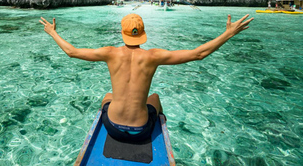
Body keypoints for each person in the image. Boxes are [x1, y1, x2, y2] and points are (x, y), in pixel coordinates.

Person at [39, 13, 253, 142]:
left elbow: (72, 52)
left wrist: (52, 32)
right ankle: (158, 129)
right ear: (142, 33)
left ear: (122, 32)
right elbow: (199, 54)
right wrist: (228, 33)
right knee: (156, 98)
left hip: (112, 128)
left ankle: (105, 124)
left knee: (108, 95)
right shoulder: (153, 56)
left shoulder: (109, 53)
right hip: (142, 131)